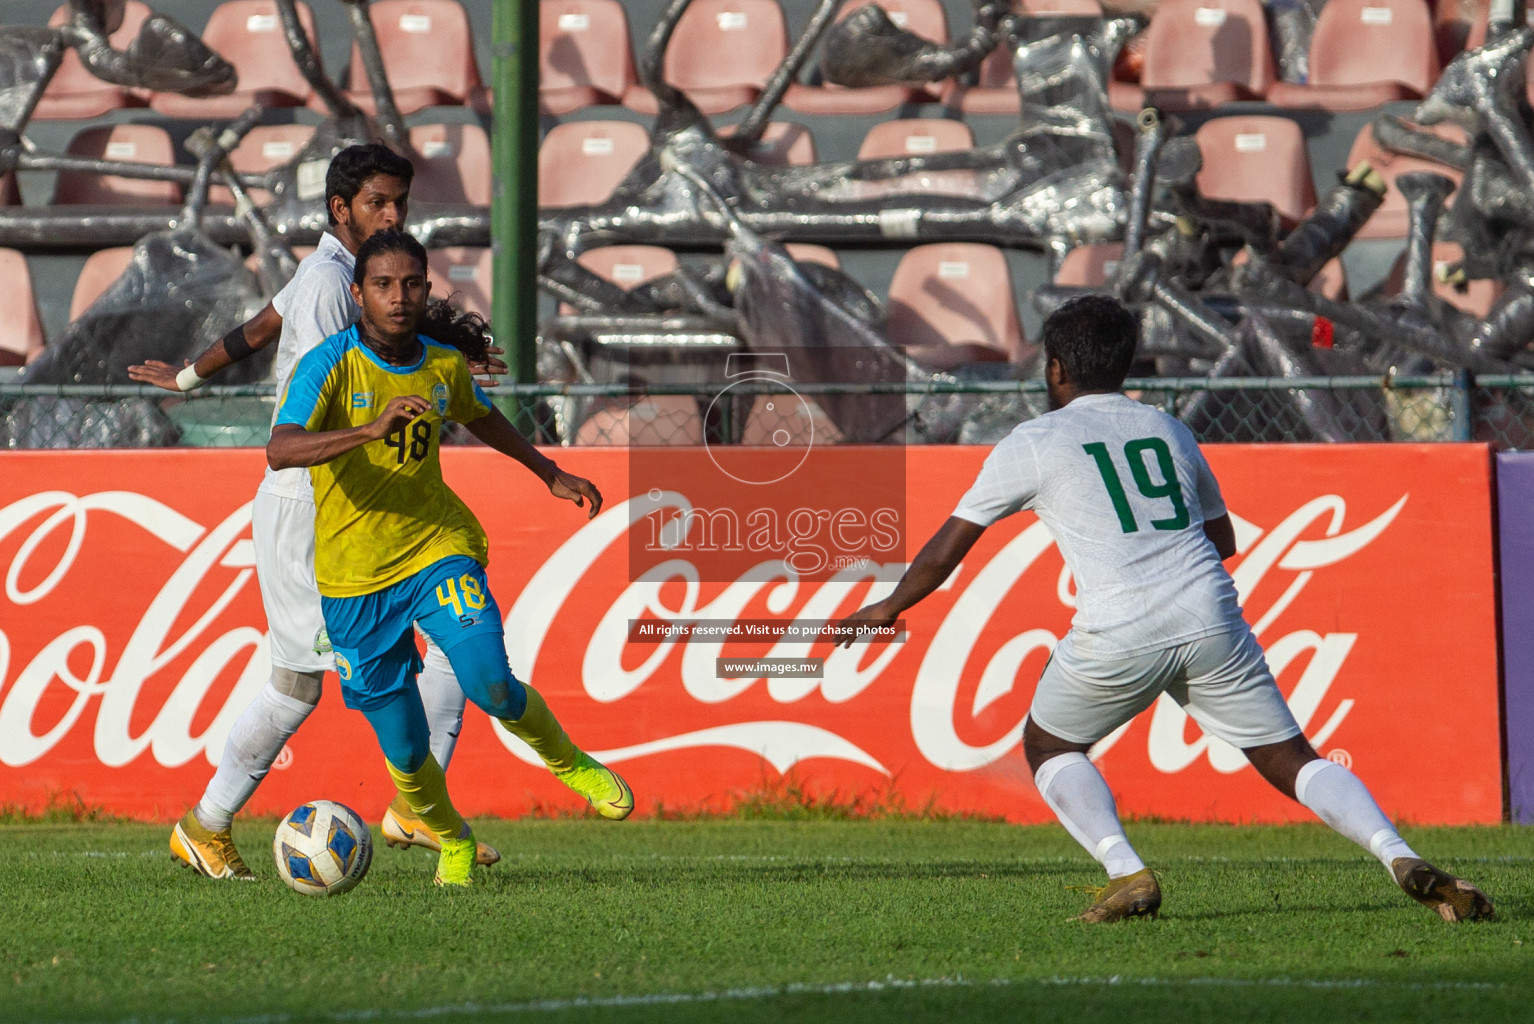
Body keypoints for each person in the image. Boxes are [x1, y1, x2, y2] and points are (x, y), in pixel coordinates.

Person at [835, 295, 1494, 924]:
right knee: (1292, 758)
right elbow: (1225, 539)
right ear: (1124, 367)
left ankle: (1128, 872)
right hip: (1209, 612)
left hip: (1118, 626)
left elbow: (946, 549)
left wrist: (886, 608)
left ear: (1055, 368)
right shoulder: (1167, 427)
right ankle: (1398, 854)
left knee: (1049, 743)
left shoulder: (1035, 440)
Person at [129, 144, 506, 878]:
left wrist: (187, 374)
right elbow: (368, 361)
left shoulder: (322, 269)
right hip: (316, 504)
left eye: (400, 202)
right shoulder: (337, 286)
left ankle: (408, 807)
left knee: (448, 647)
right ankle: (210, 823)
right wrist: (446, 344)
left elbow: (260, 327)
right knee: (306, 682)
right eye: (378, 203)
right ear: (342, 210)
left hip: (350, 503)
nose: (394, 214)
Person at [266, 229, 632, 886]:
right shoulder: (329, 364)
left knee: (490, 681)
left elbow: (481, 413)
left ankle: (573, 764)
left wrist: (547, 470)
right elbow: (281, 448)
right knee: (405, 750)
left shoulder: (441, 365)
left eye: (411, 284)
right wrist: (368, 431)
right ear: (357, 294)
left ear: (426, 289)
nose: (398, 297)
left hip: (438, 550)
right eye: (382, 285)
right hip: (353, 581)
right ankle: (453, 840)